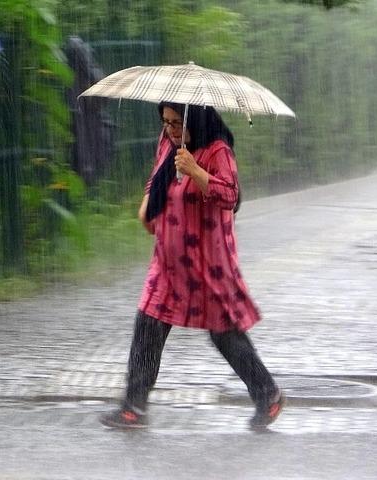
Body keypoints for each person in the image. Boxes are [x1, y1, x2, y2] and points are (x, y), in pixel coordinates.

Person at [100, 102, 284, 430]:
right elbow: (156, 175)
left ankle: (267, 394)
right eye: (165, 122)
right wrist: (147, 206)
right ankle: (133, 407)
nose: (170, 129)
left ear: (195, 120)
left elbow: (230, 195)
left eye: (176, 123)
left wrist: (196, 171)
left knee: (224, 333)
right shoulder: (168, 142)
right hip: (168, 262)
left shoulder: (218, 151)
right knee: (148, 325)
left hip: (207, 263)